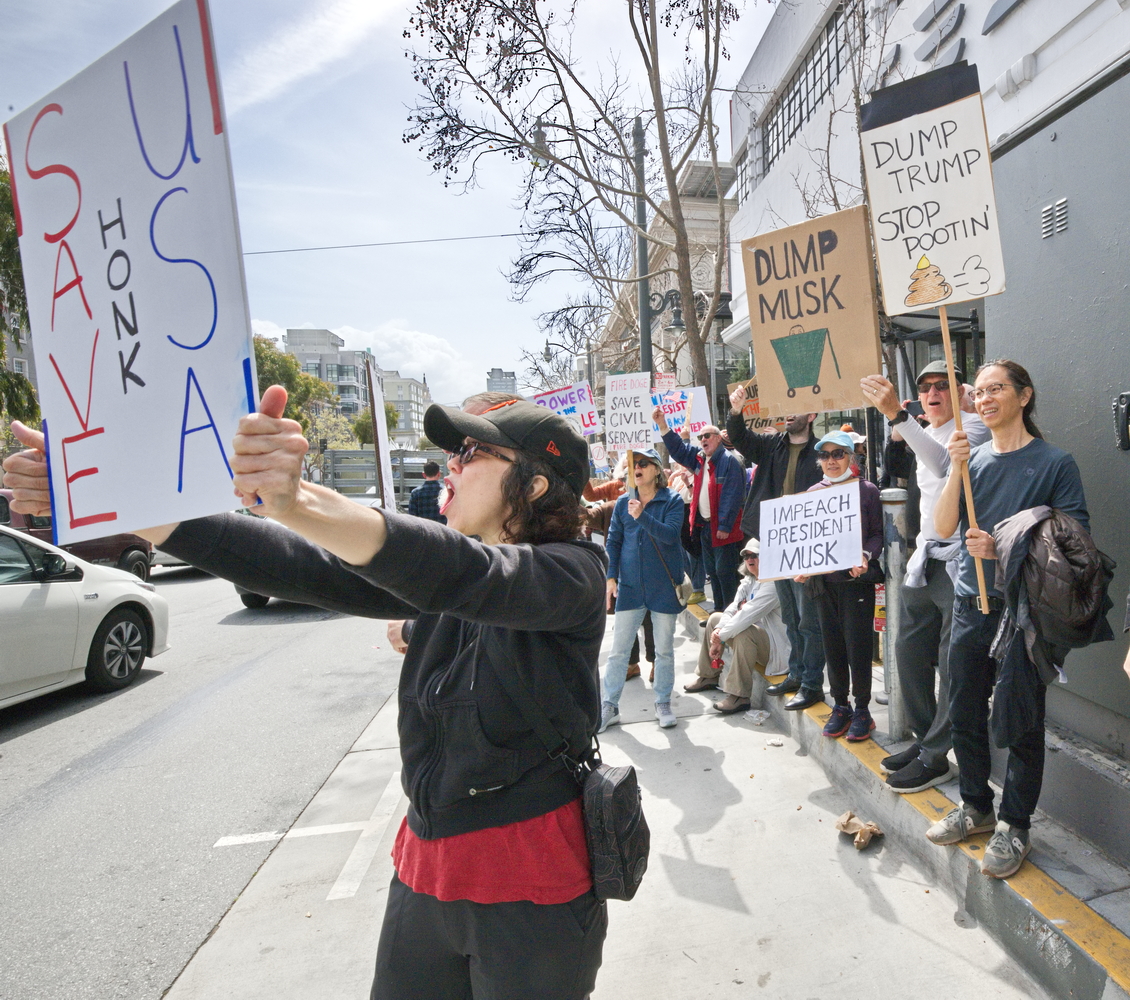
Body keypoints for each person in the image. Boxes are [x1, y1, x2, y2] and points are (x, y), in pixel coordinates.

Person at [3, 393, 609, 999]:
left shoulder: (572, 574)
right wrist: (117, 499)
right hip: (426, 866)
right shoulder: (444, 585)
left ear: (533, 486)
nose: (451, 463)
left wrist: (296, 500)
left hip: (535, 881)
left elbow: (460, 571)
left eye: (472, 452)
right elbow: (300, 563)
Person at [930, 359, 1089, 879]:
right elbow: (943, 527)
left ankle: (1015, 824)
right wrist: (955, 469)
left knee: (1021, 716)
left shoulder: (1055, 462)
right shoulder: (971, 458)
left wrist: (1001, 547)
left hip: (1024, 611)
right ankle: (975, 806)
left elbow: (1074, 540)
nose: (985, 399)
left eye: (996, 388)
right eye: (978, 392)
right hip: (969, 602)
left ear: (1024, 395)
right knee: (963, 707)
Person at [860, 361, 990, 792]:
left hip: (960, 564)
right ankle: (925, 741)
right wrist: (899, 426)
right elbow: (901, 462)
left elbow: (939, 464)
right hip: (926, 558)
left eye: (943, 386)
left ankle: (935, 757)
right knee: (907, 651)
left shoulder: (973, 428)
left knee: (953, 664)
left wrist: (897, 415)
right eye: (926, 387)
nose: (933, 393)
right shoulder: (924, 429)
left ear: (961, 392)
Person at [724, 387, 825, 711]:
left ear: (812, 415)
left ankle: (812, 684)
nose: (789, 413)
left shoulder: (822, 453)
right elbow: (739, 437)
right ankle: (796, 674)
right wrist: (736, 411)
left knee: (808, 620)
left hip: (806, 546)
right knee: (791, 617)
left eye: (798, 408)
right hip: (775, 542)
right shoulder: (771, 446)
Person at [795, 431, 884, 741]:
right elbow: (805, 540)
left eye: (838, 454)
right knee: (832, 646)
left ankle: (863, 709)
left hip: (855, 583)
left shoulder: (867, 491)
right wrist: (801, 566)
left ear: (850, 457)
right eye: (825, 455)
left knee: (858, 647)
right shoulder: (812, 493)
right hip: (824, 586)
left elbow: (877, 534)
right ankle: (841, 705)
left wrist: (865, 555)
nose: (831, 461)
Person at [599, 448, 686, 732]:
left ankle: (663, 702)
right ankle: (609, 706)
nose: (636, 467)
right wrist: (611, 577)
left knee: (664, 651)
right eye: (633, 464)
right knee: (619, 652)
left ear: (657, 470)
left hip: (663, 588)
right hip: (630, 588)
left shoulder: (671, 499)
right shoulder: (623, 502)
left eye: (643, 463)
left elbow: (670, 536)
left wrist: (642, 516)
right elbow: (613, 541)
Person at [657, 408, 746, 611]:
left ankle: (730, 613)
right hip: (705, 526)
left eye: (707, 436)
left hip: (723, 528)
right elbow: (678, 449)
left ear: (718, 438)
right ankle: (718, 612)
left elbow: (732, 496)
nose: (702, 439)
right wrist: (663, 426)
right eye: (700, 437)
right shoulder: (699, 459)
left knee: (725, 572)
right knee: (713, 571)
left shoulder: (730, 461)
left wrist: (724, 526)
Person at [689, 539, 790, 713]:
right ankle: (708, 676)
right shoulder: (749, 580)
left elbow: (747, 615)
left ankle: (739, 696)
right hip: (755, 641)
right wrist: (719, 630)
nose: (750, 559)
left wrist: (719, 637)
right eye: (746, 556)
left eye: (755, 555)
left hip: (776, 650)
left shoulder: (774, 583)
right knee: (715, 619)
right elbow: (733, 608)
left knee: (745, 632)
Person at [667, 462, 706, 605]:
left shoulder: (697, 474)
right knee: (683, 556)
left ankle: (698, 588)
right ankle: (688, 587)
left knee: (694, 555)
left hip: (692, 516)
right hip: (680, 518)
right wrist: (671, 480)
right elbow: (670, 496)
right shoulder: (678, 476)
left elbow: (695, 497)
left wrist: (687, 483)